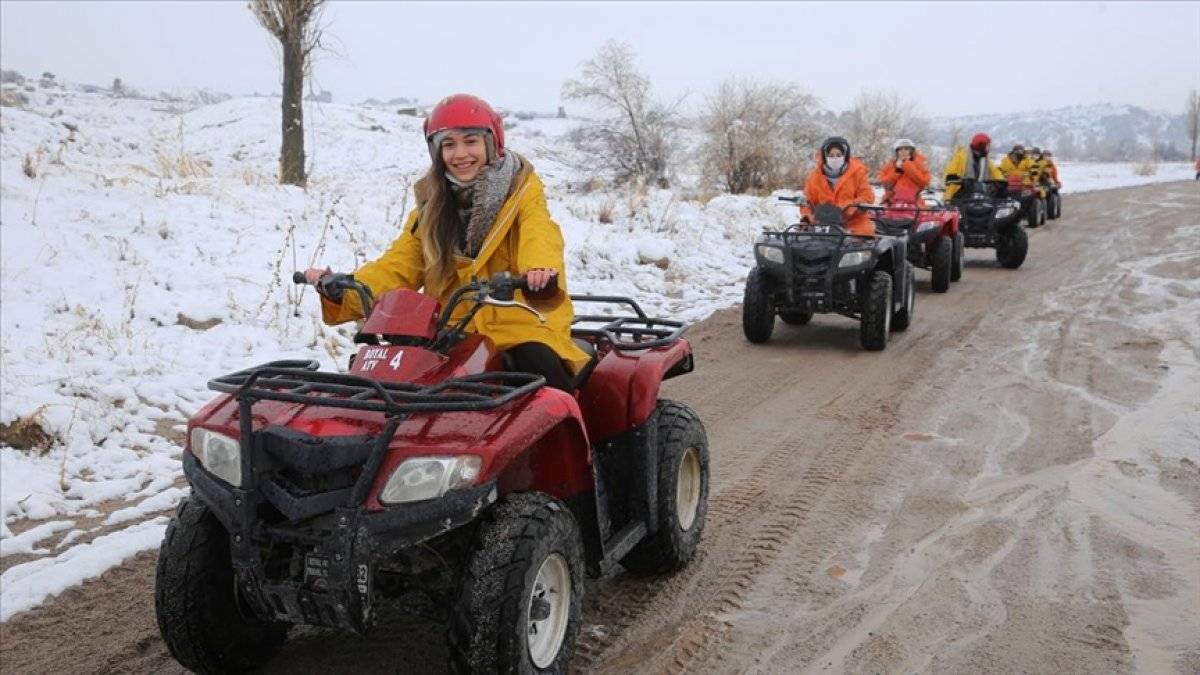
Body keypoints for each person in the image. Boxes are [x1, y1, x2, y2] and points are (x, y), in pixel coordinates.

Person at [304, 94, 589, 392]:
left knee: (537, 364)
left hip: (519, 322)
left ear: (492, 143)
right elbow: (398, 265)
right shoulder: (431, 207)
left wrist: (538, 270)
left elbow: (539, 232)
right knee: (401, 380)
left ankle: (573, 435)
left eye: (470, 141)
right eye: (448, 144)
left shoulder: (521, 192)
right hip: (452, 328)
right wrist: (345, 288)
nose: (460, 154)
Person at [801, 137, 876, 236]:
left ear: (845, 156)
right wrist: (807, 217)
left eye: (838, 155)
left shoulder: (857, 173)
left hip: (853, 222)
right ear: (825, 156)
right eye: (831, 155)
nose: (835, 158)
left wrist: (849, 208)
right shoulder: (814, 177)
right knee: (800, 240)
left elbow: (867, 196)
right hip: (822, 224)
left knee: (865, 237)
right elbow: (807, 201)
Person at [942, 132, 1003, 201]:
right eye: (988, 145)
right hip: (958, 196)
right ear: (981, 146)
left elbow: (996, 173)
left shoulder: (986, 160)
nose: (989, 148)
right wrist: (962, 181)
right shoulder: (961, 157)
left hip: (980, 197)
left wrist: (1000, 183)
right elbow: (949, 176)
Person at [877, 138, 931, 205]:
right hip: (892, 202)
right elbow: (886, 185)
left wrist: (907, 165)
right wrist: (897, 171)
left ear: (912, 151)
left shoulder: (920, 164)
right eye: (900, 149)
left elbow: (923, 182)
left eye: (906, 149)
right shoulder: (889, 165)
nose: (903, 151)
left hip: (914, 204)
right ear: (896, 152)